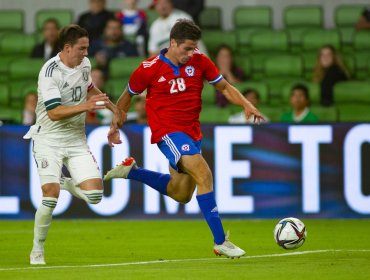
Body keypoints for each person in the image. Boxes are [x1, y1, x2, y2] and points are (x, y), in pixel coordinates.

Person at [104, 19, 263, 258]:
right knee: (204, 174)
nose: (191, 53)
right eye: (186, 48)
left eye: (194, 47)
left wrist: (246, 104)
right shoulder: (149, 68)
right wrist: (116, 123)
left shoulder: (199, 60)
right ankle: (221, 241)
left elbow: (224, 87)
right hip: (168, 132)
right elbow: (128, 95)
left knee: (180, 193)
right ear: (172, 43)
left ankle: (132, 171)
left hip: (192, 133)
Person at [24, 24, 120, 265]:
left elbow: (89, 88)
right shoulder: (50, 72)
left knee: (96, 196)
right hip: (48, 140)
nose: (86, 53)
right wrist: (87, 107)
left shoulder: (83, 65)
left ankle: (64, 182)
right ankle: (37, 249)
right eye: (82, 48)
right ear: (67, 48)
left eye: (87, 48)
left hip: (76, 139)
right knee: (50, 197)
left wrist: (111, 106)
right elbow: (55, 113)